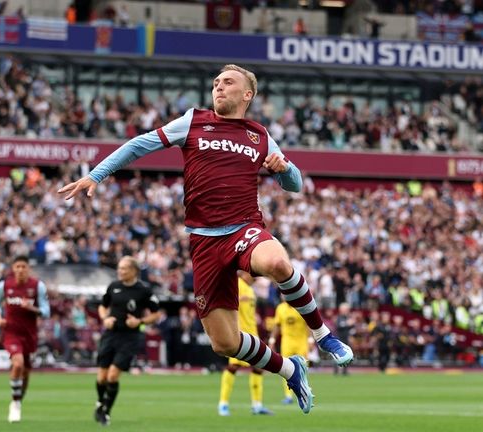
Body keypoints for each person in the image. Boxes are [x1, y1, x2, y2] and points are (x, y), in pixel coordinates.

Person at [59, 63, 353, 414]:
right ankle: (290, 369)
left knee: (276, 262)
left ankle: (324, 336)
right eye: (216, 82)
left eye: (228, 82)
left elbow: (295, 185)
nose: (218, 87)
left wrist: (285, 169)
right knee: (224, 343)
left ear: (247, 94)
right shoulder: (193, 121)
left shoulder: (259, 135)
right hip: (203, 241)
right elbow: (139, 145)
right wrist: (97, 174)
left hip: (244, 227)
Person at [94, 256, 161, 426]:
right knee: (101, 377)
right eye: (119, 268)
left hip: (130, 337)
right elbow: (103, 306)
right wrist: (105, 318)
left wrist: (140, 321)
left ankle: (106, 412)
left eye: (124, 268)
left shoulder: (144, 290)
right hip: (110, 334)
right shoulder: (113, 286)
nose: (120, 271)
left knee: (113, 375)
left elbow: (156, 314)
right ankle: (100, 402)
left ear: (134, 271)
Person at [0, 256, 50, 423]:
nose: (20, 269)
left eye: (23, 266)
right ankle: (15, 403)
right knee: (17, 364)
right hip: (11, 333)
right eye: (17, 266)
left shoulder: (37, 286)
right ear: (13, 268)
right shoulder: (4, 285)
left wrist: (32, 308)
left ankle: (18, 398)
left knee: (26, 373)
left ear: (28, 268)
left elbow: (46, 311)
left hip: (30, 335)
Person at [218, 271, 273, 416]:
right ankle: (223, 404)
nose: (255, 278)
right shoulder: (236, 284)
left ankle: (257, 405)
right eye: (253, 274)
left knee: (258, 368)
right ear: (244, 273)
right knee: (233, 367)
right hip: (239, 335)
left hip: (252, 335)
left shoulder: (250, 290)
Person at [270, 299, 310, 405]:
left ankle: (304, 392)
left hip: (301, 341)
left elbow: (308, 323)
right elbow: (277, 325)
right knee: (285, 368)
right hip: (287, 342)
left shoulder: (301, 305)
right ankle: (288, 396)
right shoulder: (280, 308)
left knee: (303, 368)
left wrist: (310, 340)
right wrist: (272, 340)